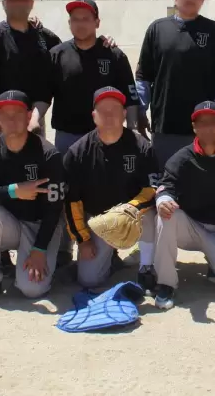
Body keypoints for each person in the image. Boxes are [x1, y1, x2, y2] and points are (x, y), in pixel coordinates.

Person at [0, 90, 67, 307]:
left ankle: (39, 261)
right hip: (8, 223)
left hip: (40, 226)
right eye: (5, 114)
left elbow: (54, 209)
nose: (11, 119)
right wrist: (14, 190)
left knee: (31, 290)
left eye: (18, 113)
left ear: (29, 116)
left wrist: (39, 250)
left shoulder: (48, 154)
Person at [152, 102, 215, 310]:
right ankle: (165, 283)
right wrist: (163, 201)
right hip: (190, 227)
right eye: (202, 123)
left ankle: (213, 263)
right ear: (194, 127)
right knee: (165, 214)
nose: (208, 128)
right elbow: (166, 185)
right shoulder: (182, 157)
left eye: (213, 122)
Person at [63, 87, 159, 291]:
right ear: (93, 116)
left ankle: (146, 268)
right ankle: (111, 259)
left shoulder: (141, 146)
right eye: (102, 110)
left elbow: (151, 188)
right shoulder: (78, 152)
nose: (109, 116)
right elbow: (71, 201)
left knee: (151, 214)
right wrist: (83, 239)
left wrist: (130, 209)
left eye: (115, 110)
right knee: (89, 281)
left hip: (131, 214)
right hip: (97, 221)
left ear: (124, 114)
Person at [136, 0, 215, 167]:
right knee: (166, 183)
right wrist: (140, 111)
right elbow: (143, 76)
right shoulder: (157, 29)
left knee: (201, 185)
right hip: (164, 124)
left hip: (202, 127)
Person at [50, 0, 139, 153]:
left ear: (97, 22)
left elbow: (130, 96)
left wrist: (133, 129)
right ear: (69, 23)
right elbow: (43, 95)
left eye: (85, 19)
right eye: (75, 19)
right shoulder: (57, 55)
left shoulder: (114, 55)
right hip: (67, 137)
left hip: (107, 137)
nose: (80, 24)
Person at [0, 0, 61, 135]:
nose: (18, 3)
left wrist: (104, 40)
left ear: (31, 2)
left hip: (34, 122)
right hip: (3, 122)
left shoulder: (46, 38)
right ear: (3, 3)